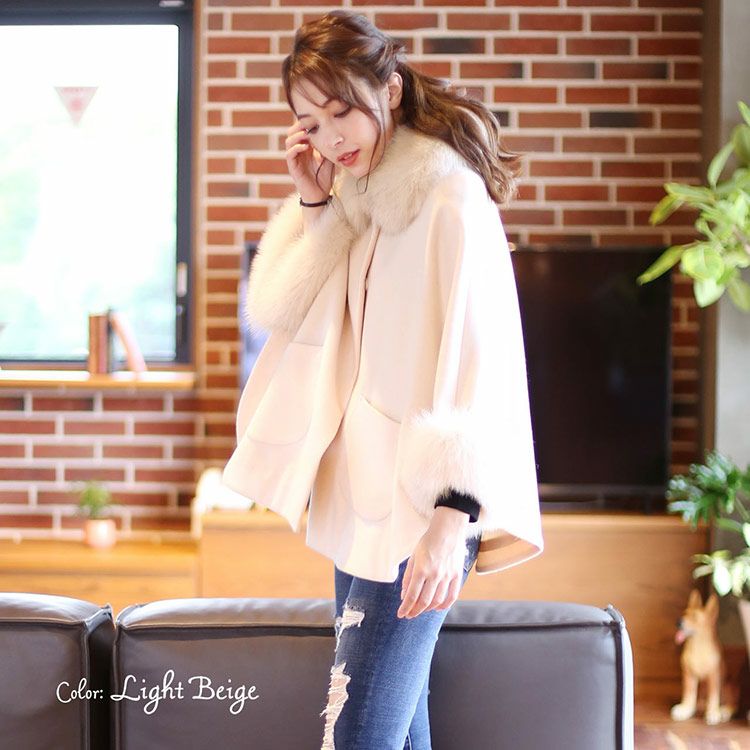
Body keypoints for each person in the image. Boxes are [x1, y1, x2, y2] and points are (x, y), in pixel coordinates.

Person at [222, 10, 544, 749]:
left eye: (342, 112)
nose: (332, 138)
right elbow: (297, 319)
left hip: (422, 511)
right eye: (312, 122)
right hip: (364, 501)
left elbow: (485, 361)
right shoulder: (356, 200)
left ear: (390, 89)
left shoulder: (449, 198)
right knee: (395, 732)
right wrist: (315, 204)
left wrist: (451, 518)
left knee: (359, 733)